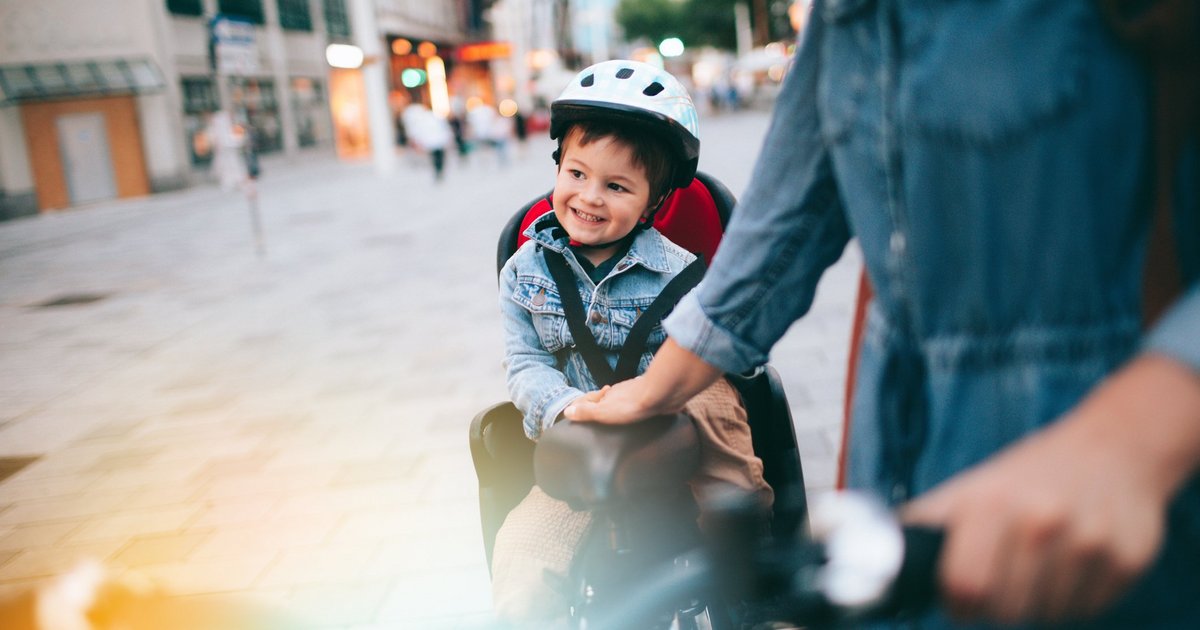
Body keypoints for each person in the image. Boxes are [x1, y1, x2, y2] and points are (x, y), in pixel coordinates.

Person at [566, 1, 1200, 627]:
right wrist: (656, 388)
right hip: (897, 461)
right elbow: (780, 223)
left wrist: (1132, 439)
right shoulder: (844, 16)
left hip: (1108, 474)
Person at [490, 60, 772, 626]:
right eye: (576, 174)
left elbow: (740, 349)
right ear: (558, 167)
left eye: (616, 186)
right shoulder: (524, 272)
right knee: (520, 556)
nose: (589, 197)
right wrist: (565, 405)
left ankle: (748, 573)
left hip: (682, 431)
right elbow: (524, 362)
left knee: (709, 388)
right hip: (582, 444)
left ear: (652, 202)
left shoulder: (686, 273)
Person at [400, 103, 452, 182]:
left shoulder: (426, 119)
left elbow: (420, 131)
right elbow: (444, 128)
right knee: (439, 156)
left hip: (433, 141)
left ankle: (438, 170)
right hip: (437, 140)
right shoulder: (435, 117)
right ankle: (439, 169)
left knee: (435, 156)